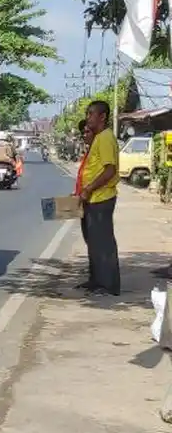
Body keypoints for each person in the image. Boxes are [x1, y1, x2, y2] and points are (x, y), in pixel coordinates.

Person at [79, 100, 121, 296]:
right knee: (94, 241)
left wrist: (90, 188)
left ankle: (108, 284)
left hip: (101, 197)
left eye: (90, 114)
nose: (88, 118)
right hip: (93, 198)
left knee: (103, 242)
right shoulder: (98, 138)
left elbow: (110, 170)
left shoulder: (104, 138)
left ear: (102, 117)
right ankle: (96, 280)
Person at [73, 118, 95, 289]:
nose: (84, 135)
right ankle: (93, 277)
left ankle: (97, 278)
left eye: (87, 132)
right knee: (89, 240)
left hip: (94, 200)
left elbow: (108, 171)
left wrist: (86, 191)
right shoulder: (89, 152)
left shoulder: (98, 150)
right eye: (83, 133)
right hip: (83, 200)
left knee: (95, 242)